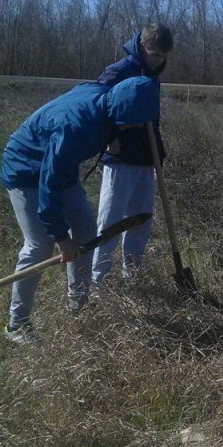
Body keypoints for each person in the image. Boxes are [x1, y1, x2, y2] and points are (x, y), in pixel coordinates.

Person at [0, 75, 160, 343]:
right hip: (25, 169)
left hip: (58, 167)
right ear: (122, 110)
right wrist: (62, 239)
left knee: (86, 231)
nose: (133, 126)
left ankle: (79, 305)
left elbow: (62, 163)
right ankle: (17, 325)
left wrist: (111, 135)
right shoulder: (74, 129)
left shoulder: (104, 95)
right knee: (40, 245)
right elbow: (48, 184)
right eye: (132, 121)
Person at [91, 23, 173, 286]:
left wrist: (157, 152)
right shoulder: (119, 71)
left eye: (164, 56)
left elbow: (152, 119)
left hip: (146, 157)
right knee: (110, 221)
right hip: (120, 157)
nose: (159, 61)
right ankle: (99, 281)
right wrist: (110, 138)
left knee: (141, 219)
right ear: (141, 46)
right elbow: (96, 107)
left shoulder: (153, 75)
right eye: (155, 54)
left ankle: (133, 276)